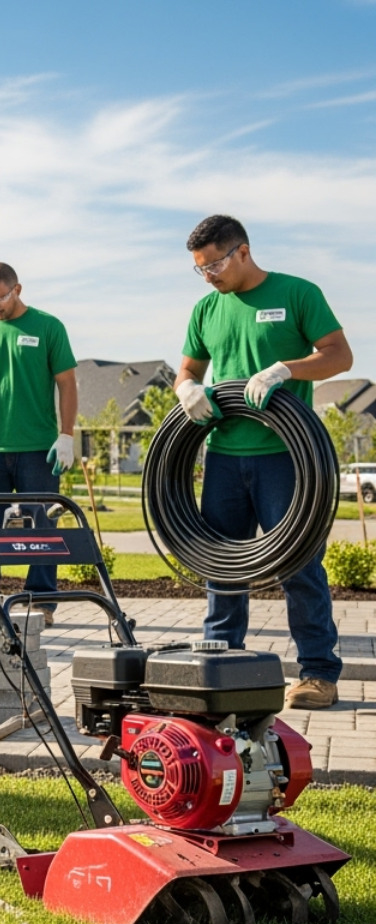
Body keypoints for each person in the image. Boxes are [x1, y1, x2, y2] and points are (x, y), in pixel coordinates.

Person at [174, 214, 353, 711]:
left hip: (285, 457)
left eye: (214, 264)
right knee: (222, 565)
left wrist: (285, 369)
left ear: (243, 252)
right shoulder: (207, 309)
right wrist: (187, 387)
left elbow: (340, 356)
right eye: (200, 269)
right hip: (225, 456)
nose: (208, 275)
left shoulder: (297, 293)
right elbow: (188, 367)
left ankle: (318, 672)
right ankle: (223, 663)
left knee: (298, 564)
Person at [0, 262, 78, 624]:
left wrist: (66, 435)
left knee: (42, 525)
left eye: (0, 298)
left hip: (38, 447)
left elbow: (67, 382)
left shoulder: (48, 327)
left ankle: (41, 602)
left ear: (17, 289)